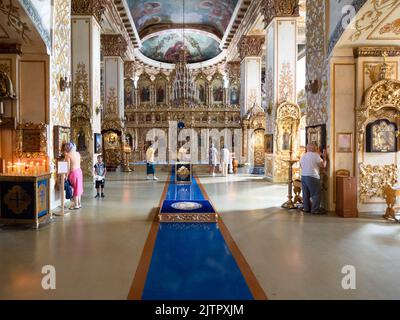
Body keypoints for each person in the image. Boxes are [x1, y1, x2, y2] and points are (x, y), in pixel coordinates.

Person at [299, 144, 327, 214]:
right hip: (312, 176)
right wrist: (325, 158)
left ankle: (306, 208)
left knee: (305, 194)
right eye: (315, 148)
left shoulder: (303, 155)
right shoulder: (316, 155)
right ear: (314, 148)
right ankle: (315, 210)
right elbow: (323, 165)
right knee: (316, 194)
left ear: (307, 149)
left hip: (303, 176)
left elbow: (301, 166)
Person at [64, 142, 83, 210]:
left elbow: (68, 167)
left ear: (68, 148)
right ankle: (79, 203)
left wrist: (66, 176)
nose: (65, 149)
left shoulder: (68, 155)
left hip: (73, 172)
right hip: (79, 171)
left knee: (75, 188)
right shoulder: (77, 153)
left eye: (65, 147)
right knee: (79, 188)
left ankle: (76, 205)